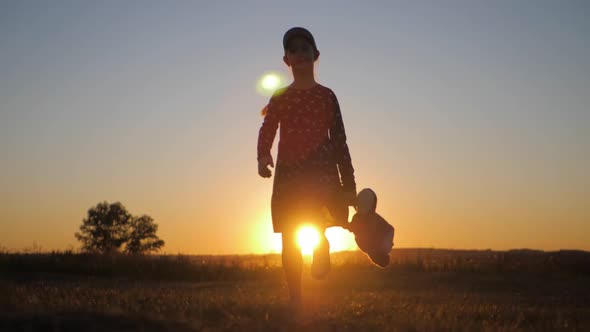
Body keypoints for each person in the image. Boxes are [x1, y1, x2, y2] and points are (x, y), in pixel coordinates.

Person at [257, 27, 357, 307]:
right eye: (294, 49)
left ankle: (321, 244)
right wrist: (263, 155)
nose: (300, 53)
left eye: (305, 48)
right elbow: (267, 128)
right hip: (289, 175)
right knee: (289, 236)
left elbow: (340, 140)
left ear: (316, 55)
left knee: (318, 220)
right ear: (286, 60)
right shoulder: (281, 96)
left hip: (321, 175)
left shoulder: (327, 96)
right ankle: (296, 298)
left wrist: (349, 185)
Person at [344, 188, 395, 268]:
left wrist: (350, 226)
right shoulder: (383, 247)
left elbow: (358, 235)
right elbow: (390, 230)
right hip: (370, 217)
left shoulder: (367, 248)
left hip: (365, 218)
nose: (372, 258)